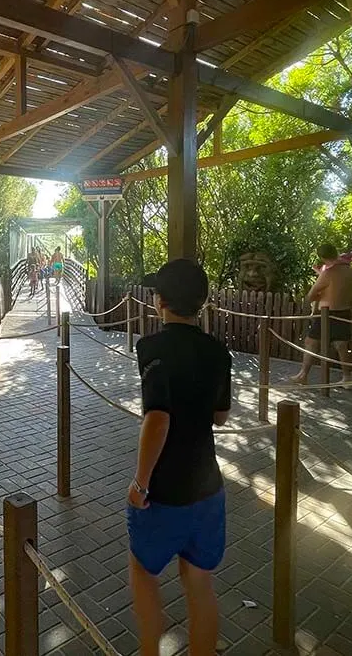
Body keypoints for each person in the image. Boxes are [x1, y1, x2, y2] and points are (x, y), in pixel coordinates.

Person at [128, 259, 231, 656]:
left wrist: (140, 483)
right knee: (201, 582)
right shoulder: (218, 352)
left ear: (161, 301)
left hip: (162, 491)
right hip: (208, 487)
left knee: (143, 572)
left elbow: (157, 419)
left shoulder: (152, 348)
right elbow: (220, 416)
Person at [291, 243, 352, 384]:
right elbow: (337, 286)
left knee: (311, 342)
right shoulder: (348, 269)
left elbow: (311, 295)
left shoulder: (328, 273)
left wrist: (320, 289)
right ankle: (347, 377)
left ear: (322, 257)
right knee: (341, 345)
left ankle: (303, 375)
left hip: (327, 313)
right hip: (344, 311)